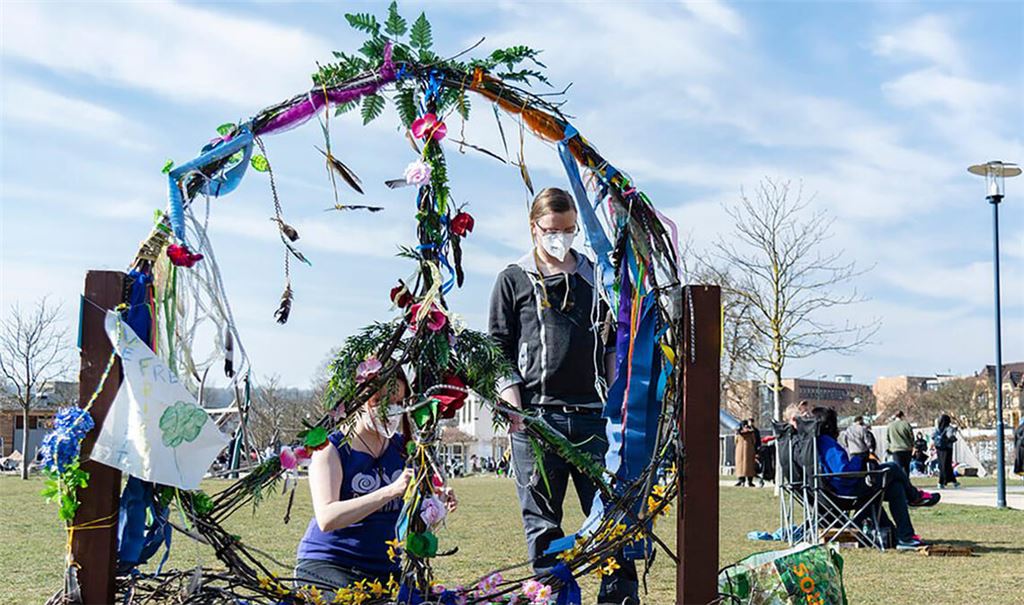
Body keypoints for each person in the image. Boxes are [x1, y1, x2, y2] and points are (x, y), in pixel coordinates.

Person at [489, 187, 638, 604]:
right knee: (543, 527)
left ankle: (619, 598)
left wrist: (618, 401)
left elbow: (612, 345)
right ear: (533, 227)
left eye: (569, 230)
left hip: (593, 420)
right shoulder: (513, 279)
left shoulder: (595, 276)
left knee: (613, 518)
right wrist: (515, 408)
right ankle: (553, 598)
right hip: (536, 420)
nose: (561, 238)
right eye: (552, 230)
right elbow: (498, 348)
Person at [294, 370, 433, 597]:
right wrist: (389, 491)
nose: (390, 410)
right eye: (381, 401)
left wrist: (435, 501)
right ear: (358, 398)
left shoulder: (404, 448)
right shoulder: (330, 449)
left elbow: (414, 510)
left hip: (385, 570)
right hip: (330, 565)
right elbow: (327, 517)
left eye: (398, 402)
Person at [812, 407, 939, 550]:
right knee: (892, 467)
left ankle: (905, 537)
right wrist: (860, 459)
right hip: (846, 490)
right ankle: (914, 498)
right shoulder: (826, 443)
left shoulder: (813, 443)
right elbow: (844, 471)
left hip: (836, 489)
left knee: (896, 488)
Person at [933, 414, 960, 489]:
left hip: (939, 448)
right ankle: (943, 481)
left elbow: (932, 436)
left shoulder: (937, 428)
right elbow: (950, 436)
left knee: (942, 465)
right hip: (947, 448)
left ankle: (948, 481)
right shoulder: (949, 428)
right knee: (947, 465)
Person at [886, 411, 915, 477]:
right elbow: (911, 436)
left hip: (895, 449)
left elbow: (888, 438)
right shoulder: (906, 424)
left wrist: (889, 447)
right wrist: (912, 445)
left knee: (898, 467)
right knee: (906, 467)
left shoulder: (890, 425)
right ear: (902, 416)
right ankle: (906, 480)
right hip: (906, 449)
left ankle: (900, 480)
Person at [734, 419, 759, 487]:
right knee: (749, 466)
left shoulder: (738, 433)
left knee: (740, 466)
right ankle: (750, 481)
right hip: (749, 450)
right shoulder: (751, 432)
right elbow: (754, 441)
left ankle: (741, 481)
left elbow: (735, 441)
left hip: (739, 450)